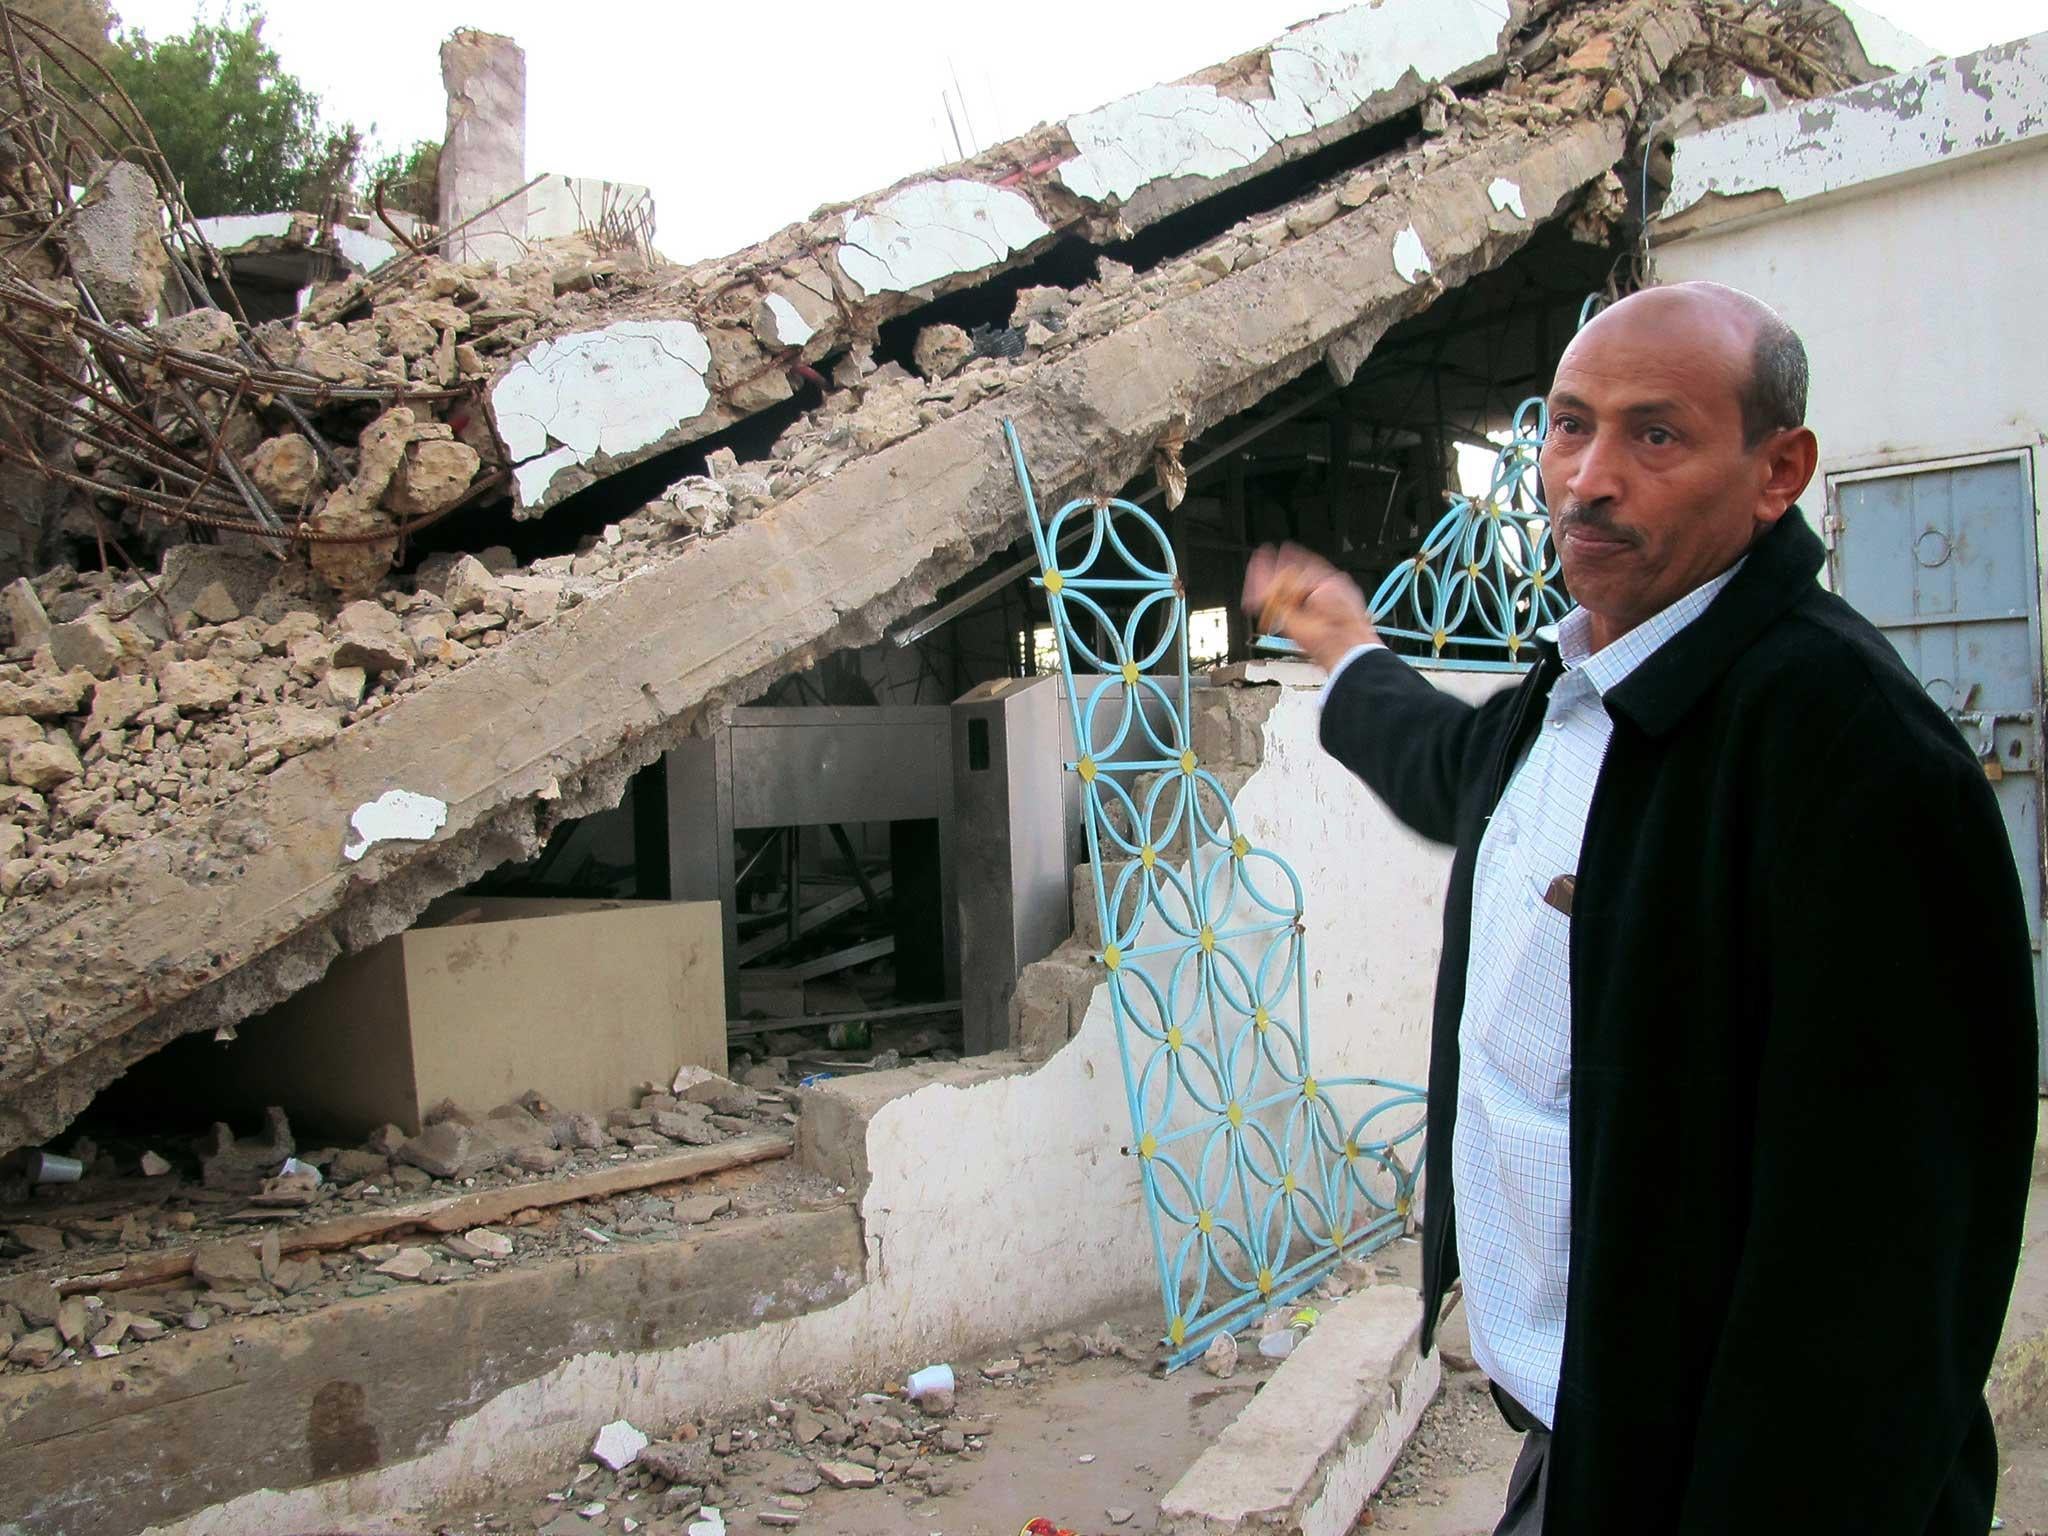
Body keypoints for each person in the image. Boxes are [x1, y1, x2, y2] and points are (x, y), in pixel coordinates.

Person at [1241, 282, 2037, 1533]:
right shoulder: (1581, 697)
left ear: (1777, 472)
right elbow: (1453, 769)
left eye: (1652, 436)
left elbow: (1881, 1278)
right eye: (1566, 427)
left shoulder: (1849, 756)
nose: (1585, 478)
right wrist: (1347, 652)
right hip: (1580, 1437)